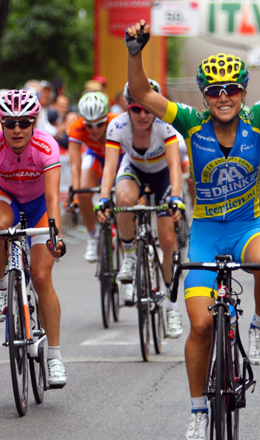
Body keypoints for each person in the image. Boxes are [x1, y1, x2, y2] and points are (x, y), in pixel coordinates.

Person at [125, 19, 260, 440]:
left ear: (243, 92)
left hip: (247, 227)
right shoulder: (190, 122)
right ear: (204, 96)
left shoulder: (259, 118)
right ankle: (196, 411)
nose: (223, 97)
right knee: (202, 326)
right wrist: (135, 53)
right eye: (213, 90)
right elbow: (141, 93)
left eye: (231, 89)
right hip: (207, 233)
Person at [0, 90, 68, 388]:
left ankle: (55, 358)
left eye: (24, 122)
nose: (17, 129)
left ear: (34, 121)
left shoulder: (47, 146)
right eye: (9, 123)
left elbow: (52, 198)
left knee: (42, 276)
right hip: (6, 198)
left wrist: (53, 235)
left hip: (39, 206)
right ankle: (0, 287)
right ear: (1, 123)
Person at [94, 80, 185, 337]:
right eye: (136, 109)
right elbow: (110, 168)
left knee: (168, 241)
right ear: (127, 107)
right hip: (133, 170)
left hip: (162, 175)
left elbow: (175, 166)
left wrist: (176, 197)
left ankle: (172, 308)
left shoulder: (164, 124)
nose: (143, 115)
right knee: (122, 199)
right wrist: (103, 198)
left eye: (148, 108)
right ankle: (132, 256)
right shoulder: (117, 126)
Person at [67, 91, 118, 262]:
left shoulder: (118, 122)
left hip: (120, 158)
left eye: (100, 124)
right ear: (83, 122)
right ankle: (92, 236)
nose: (95, 130)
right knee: (82, 193)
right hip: (96, 157)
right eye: (89, 126)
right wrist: (74, 194)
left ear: (107, 118)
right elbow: (75, 165)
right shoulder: (76, 127)